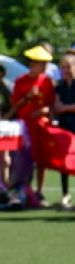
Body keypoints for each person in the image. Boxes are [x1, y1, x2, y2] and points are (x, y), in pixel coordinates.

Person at [12, 45, 57, 202]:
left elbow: (51, 105)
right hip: (24, 126)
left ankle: (40, 191)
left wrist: (43, 111)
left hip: (40, 126)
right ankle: (25, 190)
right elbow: (14, 105)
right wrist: (27, 96)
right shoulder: (21, 81)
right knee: (25, 159)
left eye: (46, 63)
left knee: (41, 159)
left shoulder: (47, 82)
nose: (45, 67)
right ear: (33, 64)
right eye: (42, 63)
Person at [53, 52, 75, 207]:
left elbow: (62, 107)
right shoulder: (60, 86)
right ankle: (65, 194)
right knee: (64, 162)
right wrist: (70, 107)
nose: (65, 70)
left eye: (68, 67)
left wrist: (64, 108)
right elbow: (56, 107)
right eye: (63, 67)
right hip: (64, 128)